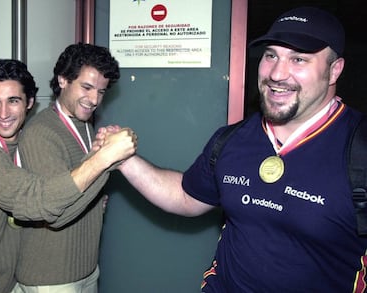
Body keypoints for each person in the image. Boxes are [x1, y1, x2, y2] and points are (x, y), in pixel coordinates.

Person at [96, 6, 367, 292]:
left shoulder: (359, 149)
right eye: (271, 55)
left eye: (298, 59)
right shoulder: (233, 139)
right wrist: (126, 160)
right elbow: (186, 196)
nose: (277, 73)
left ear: (334, 70)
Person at [0, 59, 136, 293]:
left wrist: (94, 191)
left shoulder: (22, 139)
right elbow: (38, 202)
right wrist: (103, 159)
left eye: (13, 101)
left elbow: (56, 186)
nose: (3, 113)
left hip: (11, 280)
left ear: (29, 103)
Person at [14, 43, 128, 292]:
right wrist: (106, 159)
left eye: (102, 91)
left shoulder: (84, 125)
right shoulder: (41, 132)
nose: (95, 99)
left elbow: (79, 181)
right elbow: (57, 214)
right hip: (50, 276)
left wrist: (97, 198)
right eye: (86, 87)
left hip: (85, 269)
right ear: (63, 80)